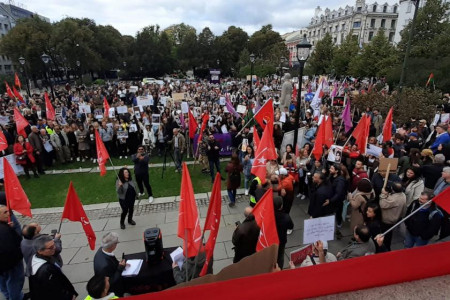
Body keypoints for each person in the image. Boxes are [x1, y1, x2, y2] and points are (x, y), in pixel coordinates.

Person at [29, 235, 78, 300]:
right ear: (40, 251)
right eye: (50, 247)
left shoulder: (39, 258)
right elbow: (54, 291)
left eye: (54, 245)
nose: (54, 248)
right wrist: (69, 296)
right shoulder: (45, 270)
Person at [0, 205, 24, 300]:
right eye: (5, 212)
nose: (8, 214)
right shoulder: (4, 231)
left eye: (8, 211)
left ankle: (8, 295)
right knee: (15, 282)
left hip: (3, 266)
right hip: (11, 264)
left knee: (3, 281)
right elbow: (12, 246)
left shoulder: (4, 227)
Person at [93, 232, 126, 297]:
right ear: (112, 246)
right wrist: (120, 268)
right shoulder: (105, 265)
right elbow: (110, 282)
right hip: (114, 290)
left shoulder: (102, 250)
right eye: (116, 243)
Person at [379, 182, 407, 250]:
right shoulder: (403, 195)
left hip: (388, 219)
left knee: (386, 236)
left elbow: (382, 204)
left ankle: (386, 249)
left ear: (392, 189)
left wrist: (383, 194)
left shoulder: (393, 199)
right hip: (396, 217)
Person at [273, 196, 293, 269]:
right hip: (281, 239)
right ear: (281, 206)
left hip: (271, 239)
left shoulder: (270, 215)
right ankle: (280, 268)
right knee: (280, 255)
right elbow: (291, 226)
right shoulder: (285, 217)